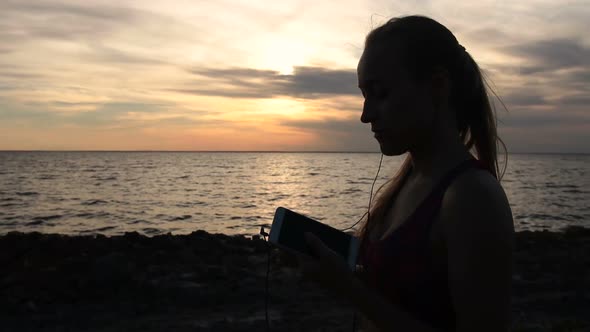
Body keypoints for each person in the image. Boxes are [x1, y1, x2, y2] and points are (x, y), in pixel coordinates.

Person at [295, 15, 515, 332]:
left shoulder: (472, 197)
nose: (365, 115)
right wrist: (331, 265)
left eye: (380, 93)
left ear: (437, 86)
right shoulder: (410, 181)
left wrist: (349, 289)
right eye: (364, 95)